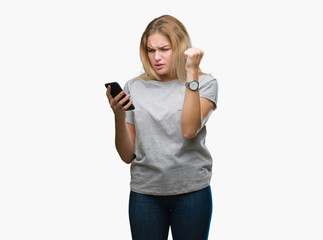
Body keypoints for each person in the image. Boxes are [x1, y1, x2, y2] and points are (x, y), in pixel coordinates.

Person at [106, 15, 218, 240]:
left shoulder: (205, 84)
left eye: (164, 49)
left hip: (192, 192)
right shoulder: (134, 87)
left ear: (180, 47)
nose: (156, 57)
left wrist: (191, 73)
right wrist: (119, 116)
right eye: (150, 50)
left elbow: (189, 129)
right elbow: (127, 155)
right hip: (145, 193)